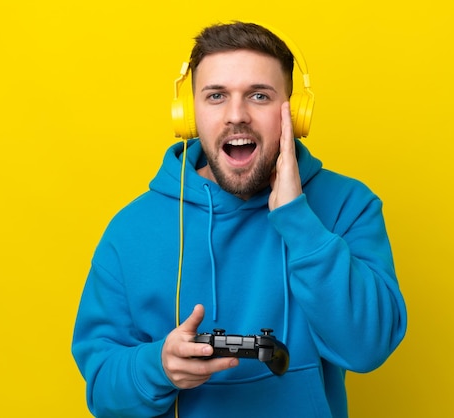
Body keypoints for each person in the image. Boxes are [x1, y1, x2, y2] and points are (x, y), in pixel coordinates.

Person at [71, 21, 407, 418]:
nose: (237, 116)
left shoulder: (348, 205)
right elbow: (104, 395)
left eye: (259, 96)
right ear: (190, 115)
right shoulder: (130, 232)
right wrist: (158, 367)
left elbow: (368, 347)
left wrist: (298, 220)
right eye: (216, 96)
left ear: (294, 115)